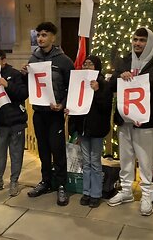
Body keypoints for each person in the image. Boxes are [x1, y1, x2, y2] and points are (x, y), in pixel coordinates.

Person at [107, 27, 153, 216]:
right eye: (135, 39)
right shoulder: (124, 61)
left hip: (144, 123)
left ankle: (147, 196)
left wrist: (143, 113)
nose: (137, 43)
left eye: (141, 40)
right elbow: (111, 86)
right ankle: (126, 191)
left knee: (145, 159)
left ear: (149, 42)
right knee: (125, 158)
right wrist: (120, 76)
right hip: (124, 120)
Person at [22, 22, 74, 206]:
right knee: (43, 150)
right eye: (38, 35)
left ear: (53, 37)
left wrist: (63, 104)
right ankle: (46, 181)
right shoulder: (33, 59)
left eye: (44, 35)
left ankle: (61, 185)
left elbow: (72, 87)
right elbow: (30, 85)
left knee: (57, 150)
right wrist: (24, 74)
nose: (40, 38)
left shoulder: (64, 61)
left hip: (55, 115)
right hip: (39, 113)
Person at [67, 56, 112, 208]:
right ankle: (86, 192)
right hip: (83, 129)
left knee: (95, 163)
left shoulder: (103, 84)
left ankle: (96, 194)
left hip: (97, 130)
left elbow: (106, 107)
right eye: (85, 64)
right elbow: (75, 102)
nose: (87, 66)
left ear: (97, 66)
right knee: (86, 163)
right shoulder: (79, 83)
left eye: (90, 64)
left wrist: (98, 91)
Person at [0, 50, 28, 197]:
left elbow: (23, 94)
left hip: (16, 120)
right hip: (1, 121)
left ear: (4, 60)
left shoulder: (14, 74)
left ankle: (14, 181)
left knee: (16, 153)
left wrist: (8, 85)